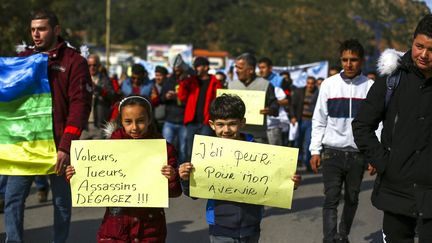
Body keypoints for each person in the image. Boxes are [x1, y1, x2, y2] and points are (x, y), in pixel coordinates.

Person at [5, 9, 92, 243]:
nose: (36, 34)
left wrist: (65, 147)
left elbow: (80, 107)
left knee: (62, 202)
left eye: (41, 29)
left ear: (56, 30)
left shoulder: (75, 61)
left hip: (58, 146)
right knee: (13, 198)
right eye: (33, 29)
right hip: (26, 145)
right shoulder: (22, 59)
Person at [178, 94, 301, 243]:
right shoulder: (206, 153)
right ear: (211, 124)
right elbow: (193, 193)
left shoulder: (258, 152)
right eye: (220, 124)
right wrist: (185, 179)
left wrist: (290, 183)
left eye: (232, 124)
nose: (226, 130)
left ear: (242, 123)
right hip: (220, 226)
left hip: (251, 224)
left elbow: (274, 184)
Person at [352, 14, 432, 242]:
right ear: (412, 41)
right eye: (419, 46)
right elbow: (362, 125)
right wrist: (383, 162)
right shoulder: (391, 81)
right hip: (397, 190)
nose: (424, 55)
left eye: (431, 49)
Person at [66, 96, 182, 242]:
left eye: (140, 121)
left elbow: (175, 192)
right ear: (121, 121)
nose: (134, 127)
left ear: (149, 120)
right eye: (128, 122)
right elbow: (93, 180)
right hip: (116, 229)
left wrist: (172, 178)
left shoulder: (163, 150)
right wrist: (76, 175)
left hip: (150, 229)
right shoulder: (109, 148)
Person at [309, 39, 374, 243]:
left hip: (358, 155)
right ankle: (329, 239)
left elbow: (378, 124)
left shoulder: (371, 87)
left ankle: (342, 235)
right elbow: (319, 119)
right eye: (344, 59)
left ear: (361, 61)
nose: (348, 64)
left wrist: (375, 155)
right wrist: (314, 151)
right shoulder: (328, 84)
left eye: (353, 60)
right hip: (332, 152)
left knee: (352, 199)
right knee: (331, 199)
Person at [178, 56, 222, 162]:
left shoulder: (215, 82)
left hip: (206, 122)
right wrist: (183, 82)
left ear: (206, 67)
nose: (195, 68)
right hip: (191, 122)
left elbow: (219, 100)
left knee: (204, 152)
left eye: (198, 66)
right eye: (195, 66)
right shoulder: (190, 81)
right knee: (189, 152)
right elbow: (182, 97)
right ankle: (188, 178)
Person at [228, 53, 279, 143]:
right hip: (235, 135)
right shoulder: (231, 85)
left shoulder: (266, 85)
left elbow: (275, 106)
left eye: (239, 68)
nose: (236, 71)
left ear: (251, 70)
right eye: (236, 67)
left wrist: (270, 110)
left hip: (258, 136)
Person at [160, 55, 190, 164]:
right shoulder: (168, 81)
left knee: (183, 150)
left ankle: (181, 175)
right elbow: (161, 98)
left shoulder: (189, 80)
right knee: (166, 149)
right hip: (169, 120)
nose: (177, 71)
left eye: (178, 69)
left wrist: (179, 96)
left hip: (184, 121)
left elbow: (191, 99)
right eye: (175, 69)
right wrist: (166, 97)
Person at [291, 76, 319, 171]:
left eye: (312, 83)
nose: (310, 85)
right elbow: (292, 105)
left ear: (314, 84)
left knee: (308, 143)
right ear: (306, 83)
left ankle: (307, 164)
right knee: (297, 142)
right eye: (308, 83)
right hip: (300, 120)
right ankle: (296, 162)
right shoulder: (300, 92)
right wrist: (293, 117)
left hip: (311, 122)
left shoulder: (318, 93)